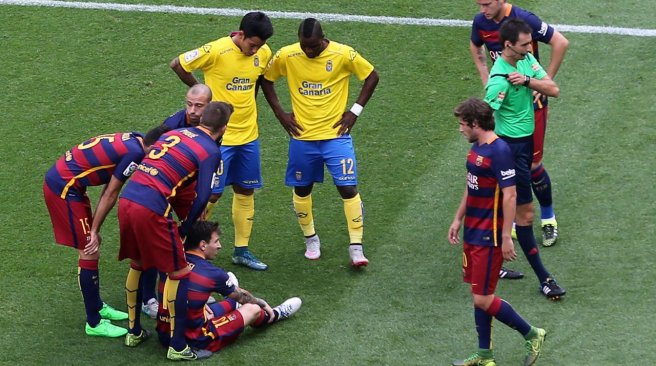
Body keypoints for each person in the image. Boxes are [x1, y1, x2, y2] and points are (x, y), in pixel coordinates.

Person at [117, 101, 232, 361]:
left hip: (128, 200)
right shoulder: (210, 150)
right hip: (152, 208)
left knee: (138, 264)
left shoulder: (173, 134)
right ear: (223, 127)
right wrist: (187, 227)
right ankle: (177, 345)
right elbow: (203, 196)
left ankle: (133, 331)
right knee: (179, 272)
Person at [261, 18, 379, 267]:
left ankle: (356, 247)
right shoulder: (288, 55)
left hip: (336, 136)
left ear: (323, 38)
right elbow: (266, 79)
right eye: (305, 46)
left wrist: (354, 111)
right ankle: (310, 239)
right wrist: (281, 114)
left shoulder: (343, 54)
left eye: (313, 46)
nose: (309, 51)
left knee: (348, 189)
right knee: (302, 189)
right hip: (302, 138)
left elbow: (371, 76)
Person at [170, 11, 274, 271]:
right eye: (252, 45)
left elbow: (258, 80)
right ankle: (191, 244)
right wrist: (205, 96)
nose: (255, 51)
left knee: (245, 189)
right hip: (220, 138)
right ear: (240, 35)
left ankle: (241, 250)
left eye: (259, 46)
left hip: (249, 134)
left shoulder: (263, 52)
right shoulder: (216, 50)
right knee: (211, 193)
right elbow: (178, 64)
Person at [448, 97, 546, 366]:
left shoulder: (499, 150)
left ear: (475, 123)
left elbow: (511, 195)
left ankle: (532, 334)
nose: (460, 129)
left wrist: (505, 237)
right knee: (478, 297)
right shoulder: (477, 148)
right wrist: (458, 219)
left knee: (483, 298)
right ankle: (484, 356)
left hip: (489, 237)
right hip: (473, 233)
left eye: (462, 124)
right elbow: (472, 185)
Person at [43, 127, 166, 337]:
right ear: (153, 147)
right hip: (64, 189)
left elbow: (110, 183)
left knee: (90, 246)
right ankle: (94, 322)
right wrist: (94, 230)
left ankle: (98, 306)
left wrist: (94, 227)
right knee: (89, 250)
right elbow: (111, 193)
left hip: (71, 185)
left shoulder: (136, 138)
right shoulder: (136, 154)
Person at [470, 0, 569, 247]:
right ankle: (515, 219)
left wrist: (542, 83)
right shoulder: (481, 21)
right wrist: (486, 76)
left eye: (487, 3)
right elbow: (475, 45)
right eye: (479, 4)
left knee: (532, 163)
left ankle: (548, 217)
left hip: (530, 100)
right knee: (506, 163)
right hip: (506, 104)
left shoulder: (525, 20)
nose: (483, 9)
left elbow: (561, 42)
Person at [484, 18, 565, 300]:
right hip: (509, 150)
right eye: (524, 44)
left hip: (524, 146)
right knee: (524, 215)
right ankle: (544, 278)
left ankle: (493, 263)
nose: (530, 47)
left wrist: (530, 81)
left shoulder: (526, 59)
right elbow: (482, 119)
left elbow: (552, 89)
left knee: (499, 208)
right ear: (508, 46)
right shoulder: (498, 80)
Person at [155, 220, 302, 354]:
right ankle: (275, 314)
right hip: (195, 339)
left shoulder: (172, 260)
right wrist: (261, 303)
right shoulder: (211, 273)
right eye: (216, 241)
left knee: (231, 302)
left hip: (165, 333)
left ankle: (230, 294)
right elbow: (244, 298)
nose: (220, 246)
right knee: (253, 308)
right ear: (203, 245)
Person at [140, 84, 214, 320]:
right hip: (163, 189)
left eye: (198, 106)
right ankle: (148, 298)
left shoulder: (213, 126)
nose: (191, 111)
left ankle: (189, 284)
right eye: (189, 104)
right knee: (157, 241)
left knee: (191, 233)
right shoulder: (172, 125)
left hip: (186, 187)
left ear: (209, 107)